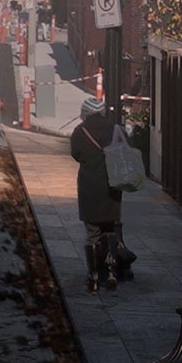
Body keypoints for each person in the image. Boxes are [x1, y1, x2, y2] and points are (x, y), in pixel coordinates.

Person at [70, 97, 125, 292]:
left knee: (92, 233)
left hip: (89, 187)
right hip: (112, 188)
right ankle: (111, 273)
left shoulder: (79, 131)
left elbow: (75, 154)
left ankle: (93, 277)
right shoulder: (116, 130)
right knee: (110, 229)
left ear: (85, 112)